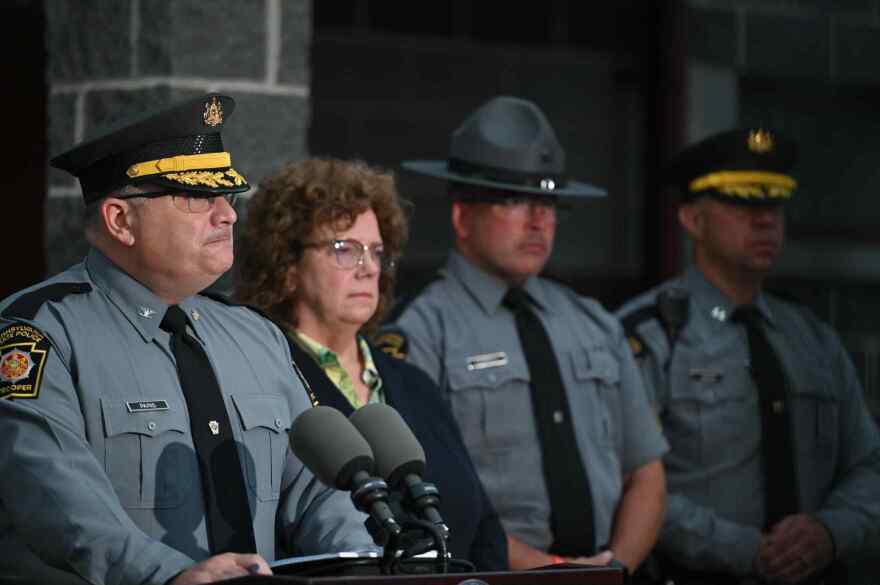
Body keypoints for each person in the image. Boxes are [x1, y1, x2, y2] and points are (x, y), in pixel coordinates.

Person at [0, 95, 375, 585]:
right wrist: (173, 577)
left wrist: (364, 564)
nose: (228, 215)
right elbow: (58, 504)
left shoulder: (255, 335)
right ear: (120, 220)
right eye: (197, 197)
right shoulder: (38, 333)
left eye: (228, 196)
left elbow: (318, 492)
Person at [375, 95, 668, 573]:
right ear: (462, 216)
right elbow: (423, 496)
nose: (538, 221)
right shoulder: (420, 332)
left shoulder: (594, 322)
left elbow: (646, 472)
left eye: (548, 203)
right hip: (490, 576)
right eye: (513, 200)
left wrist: (614, 570)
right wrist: (548, 573)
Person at [616, 128, 880, 584]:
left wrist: (829, 532)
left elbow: (868, 463)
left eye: (775, 206)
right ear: (692, 220)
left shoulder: (812, 339)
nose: (765, 222)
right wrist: (746, 551)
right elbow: (620, 478)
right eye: (742, 205)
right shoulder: (647, 335)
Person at [235, 157, 509, 571]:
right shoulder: (264, 378)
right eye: (344, 250)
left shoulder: (413, 382)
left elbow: (484, 525)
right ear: (286, 264)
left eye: (377, 252)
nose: (368, 269)